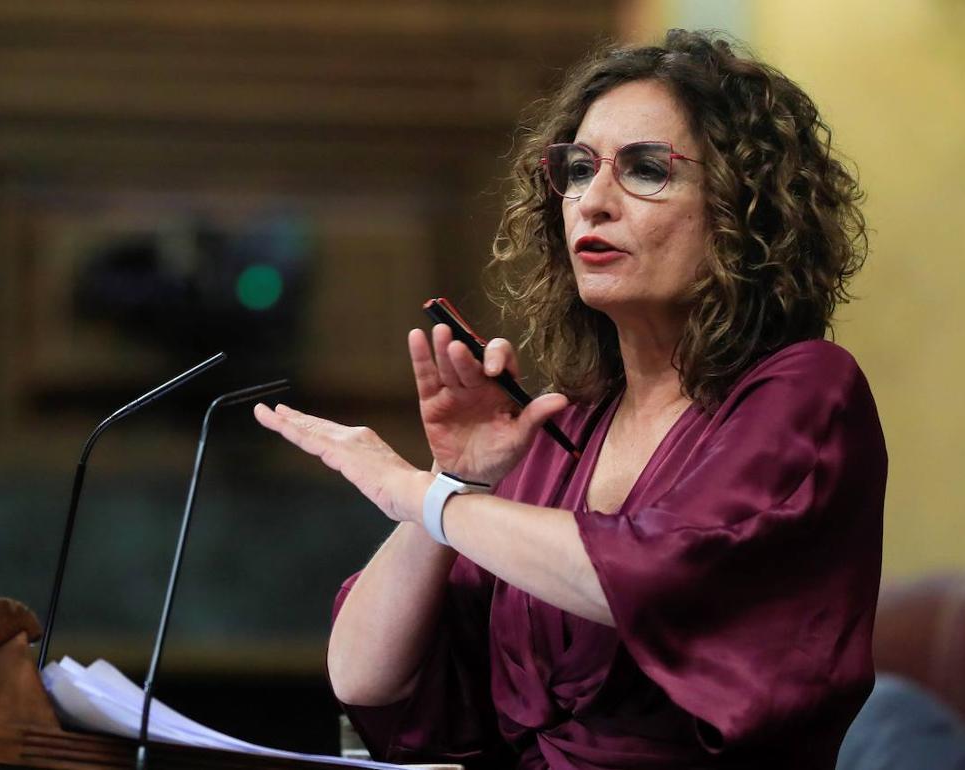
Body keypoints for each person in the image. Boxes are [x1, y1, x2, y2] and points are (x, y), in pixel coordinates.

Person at [254, 29, 886, 770]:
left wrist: (418, 494)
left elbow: (650, 577)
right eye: (579, 170)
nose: (593, 202)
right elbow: (362, 675)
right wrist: (457, 480)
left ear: (743, 211)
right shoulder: (563, 426)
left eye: (646, 169)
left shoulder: (804, 390)